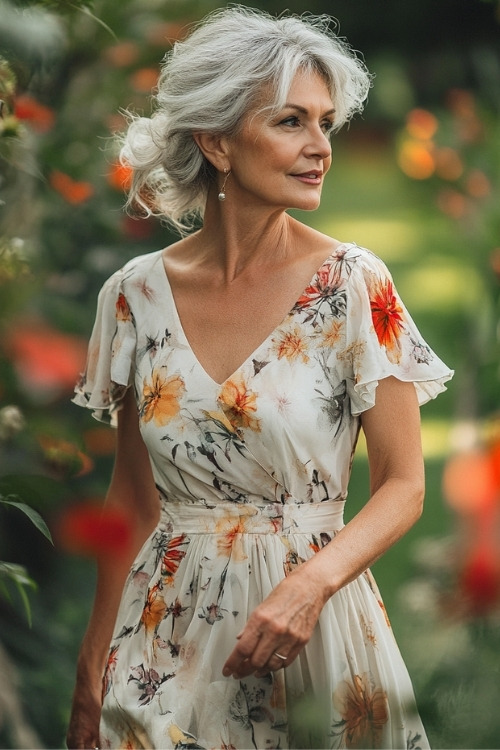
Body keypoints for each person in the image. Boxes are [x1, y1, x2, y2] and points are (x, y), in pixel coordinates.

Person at [67, 6, 453, 749]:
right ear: (215, 141)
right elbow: (132, 498)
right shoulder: (133, 296)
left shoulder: (351, 284)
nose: (320, 148)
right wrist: (91, 668)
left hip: (313, 632)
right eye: (291, 123)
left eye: (325, 124)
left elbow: (405, 484)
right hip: (162, 639)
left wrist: (311, 585)